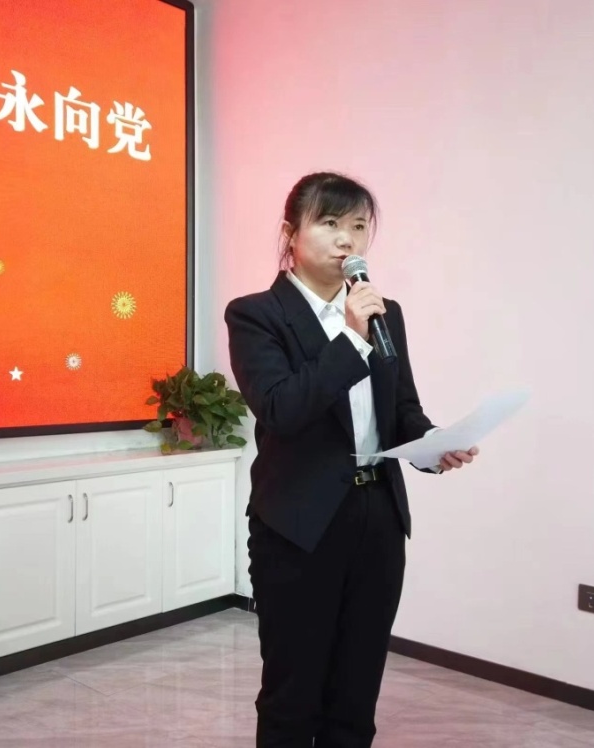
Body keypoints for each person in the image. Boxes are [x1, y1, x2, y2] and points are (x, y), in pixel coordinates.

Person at [224, 171, 479, 748]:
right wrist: (352, 338)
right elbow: (281, 408)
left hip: (378, 519)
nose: (347, 239)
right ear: (290, 233)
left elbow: (402, 408)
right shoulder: (256, 315)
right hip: (299, 526)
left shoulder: (386, 312)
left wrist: (434, 444)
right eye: (330, 222)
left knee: (357, 689)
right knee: (293, 693)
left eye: (359, 226)